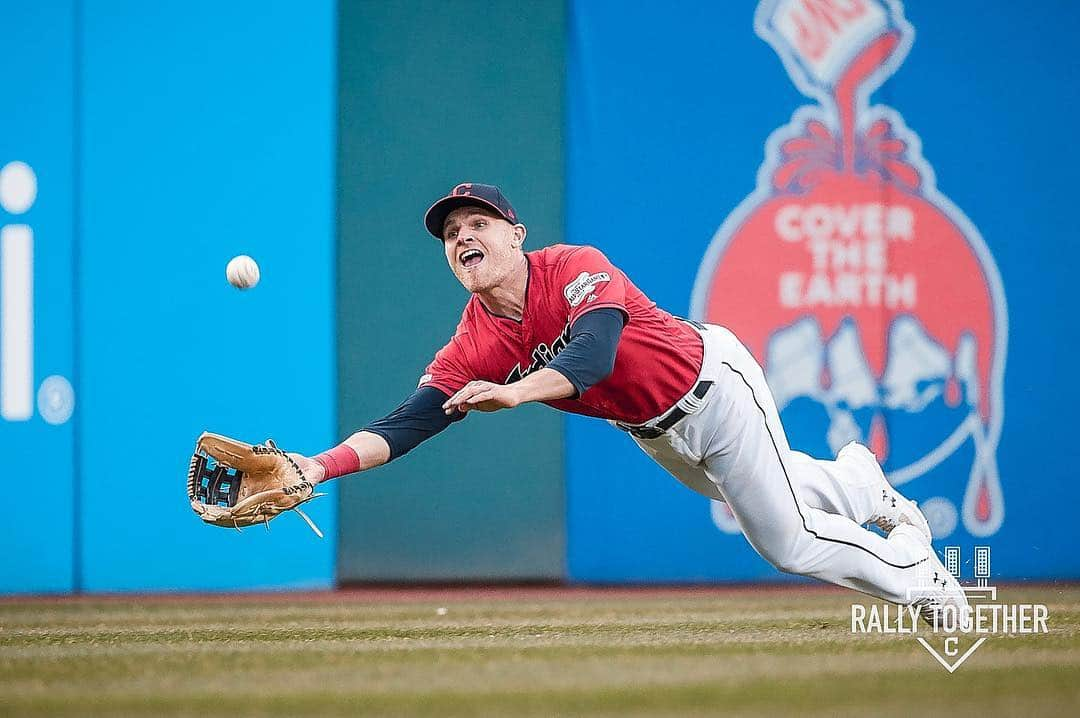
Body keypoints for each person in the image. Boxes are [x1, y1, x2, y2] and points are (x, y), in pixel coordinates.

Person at [295, 182, 969, 623]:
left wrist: (517, 392)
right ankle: (859, 481)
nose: (464, 236)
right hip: (652, 428)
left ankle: (927, 583)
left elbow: (593, 355)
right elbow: (410, 422)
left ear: (516, 234)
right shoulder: (472, 342)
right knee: (774, 489)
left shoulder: (573, 267)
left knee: (787, 541)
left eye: (479, 223)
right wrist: (318, 468)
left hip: (715, 384)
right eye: (450, 234)